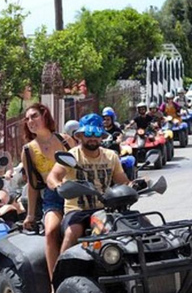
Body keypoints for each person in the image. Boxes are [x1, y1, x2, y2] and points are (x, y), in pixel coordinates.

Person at [47, 113, 137, 253]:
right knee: (72, 233)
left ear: (102, 136)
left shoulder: (111, 156)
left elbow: (122, 180)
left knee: (137, 225)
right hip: (78, 211)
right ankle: (62, 268)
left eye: (97, 133)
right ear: (80, 136)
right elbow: (52, 176)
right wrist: (58, 185)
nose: (93, 138)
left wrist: (134, 185)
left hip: (106, 210)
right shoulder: (72, 156)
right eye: (88, 133)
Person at [20, 103, 75, 281]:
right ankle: (55, 284)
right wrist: (30, 215)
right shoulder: (28, 150)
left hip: (76, 192)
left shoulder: (66, 140)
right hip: (52, 196)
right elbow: (33, 185)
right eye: (27, 119)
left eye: (34, 116)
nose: (30, 121)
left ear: (45, 116)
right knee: (51, 231)